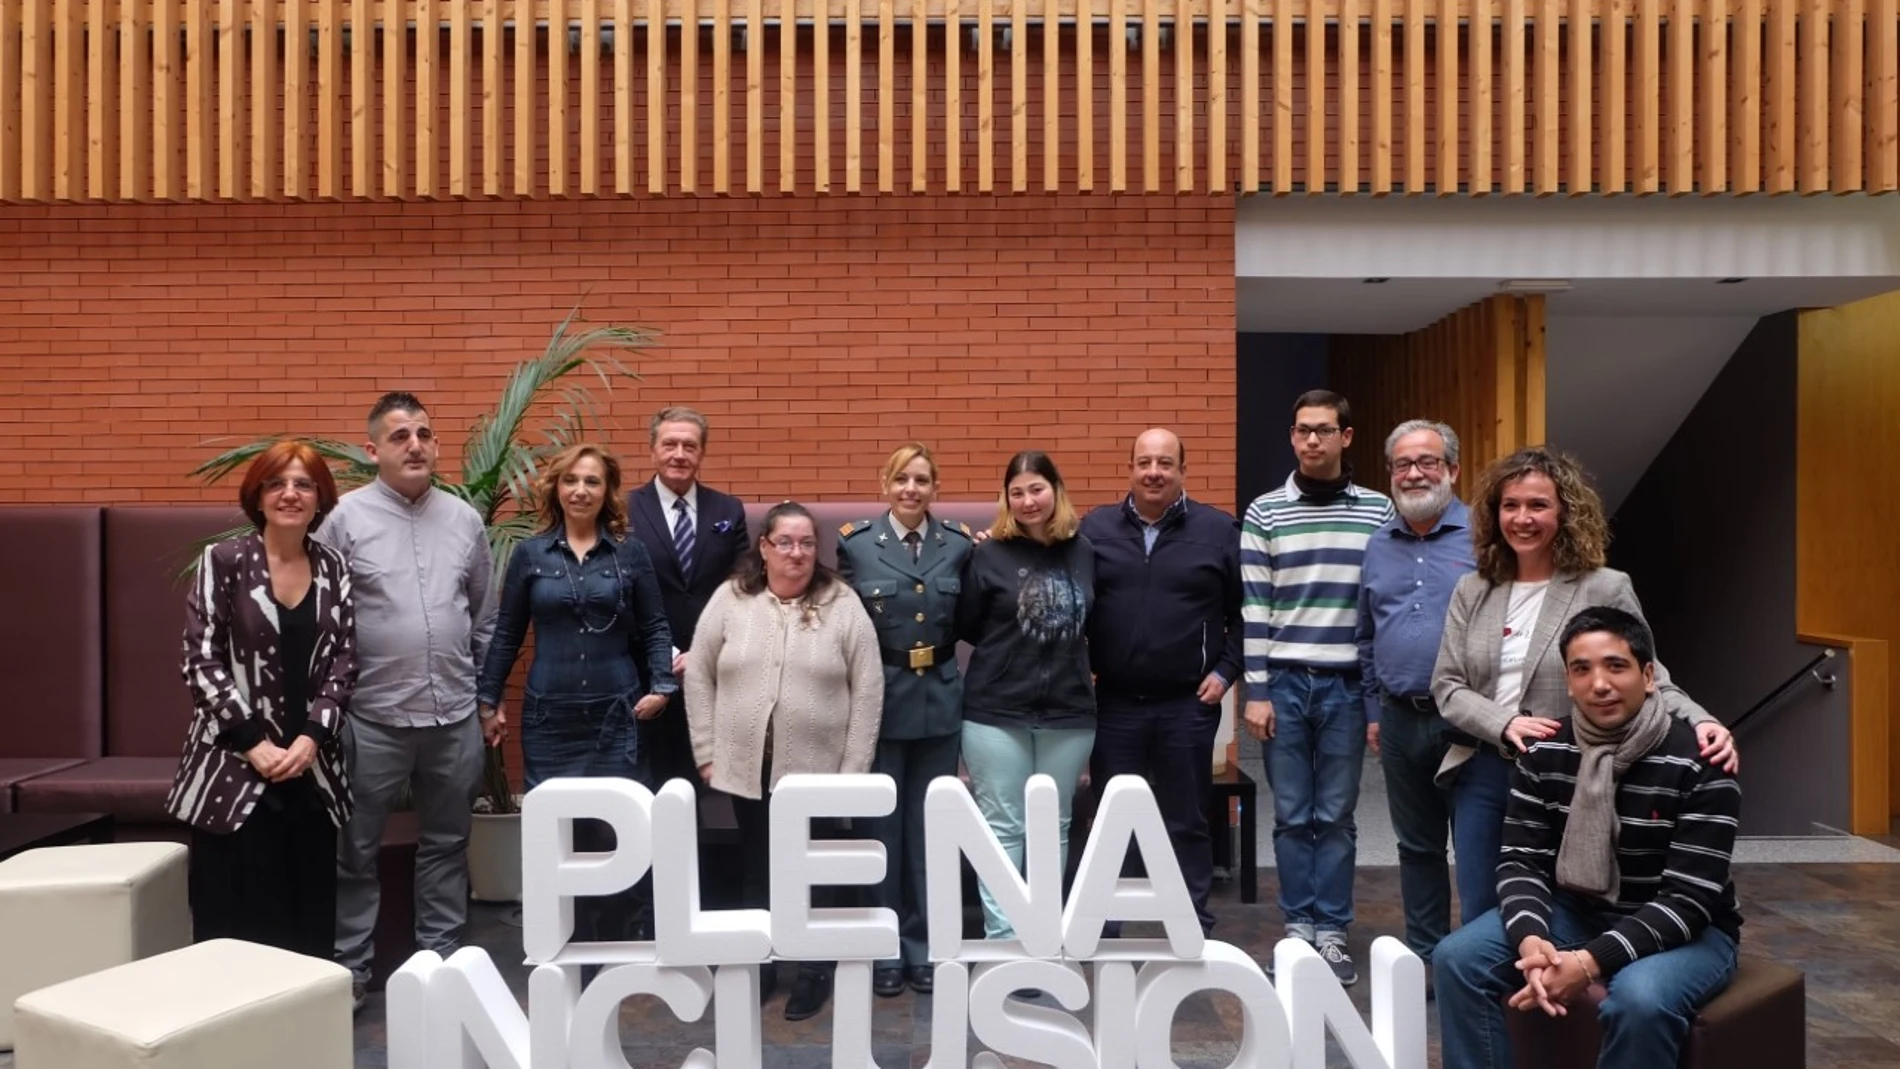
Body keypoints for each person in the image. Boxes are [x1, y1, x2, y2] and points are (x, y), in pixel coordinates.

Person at [1430, 446, 1736, 923]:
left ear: (1565, 512)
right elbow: (1447, 685)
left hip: (1568, 772)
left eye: (1538, 505)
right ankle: (1490, 995)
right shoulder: (1473, 589)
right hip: (1486, 770)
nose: (1522, 518)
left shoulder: (1605, 586)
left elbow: (1652, 677)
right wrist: (1504, 722)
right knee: (1483, 910)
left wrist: (1705, 722)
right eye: (1510, 506)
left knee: (1557, 910)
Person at [1434, 607, 1743, 1069]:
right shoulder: (1545, 750)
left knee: (1639, 1001)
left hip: (1691, 930)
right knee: (1457, 958)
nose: (1599, 684)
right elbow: (1522, 862)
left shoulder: (1701, 762)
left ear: (1649, 674)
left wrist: (1589, 962)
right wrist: (1530, 936)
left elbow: (1690, 899)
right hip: (1577, 909)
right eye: (1582, 669)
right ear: (1569, 679)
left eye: (1616, 666)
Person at [317, 391, 497, 1009]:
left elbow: (483, 617)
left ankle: (440, 964)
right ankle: (350, 972)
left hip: (452, 715)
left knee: (447, 844)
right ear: (373, 450)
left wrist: (482, 698)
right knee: (354, 852)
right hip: (370, 718)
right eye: (399, 436)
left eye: (424, 433)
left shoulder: (465, 519)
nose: (415, 445)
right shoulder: (341, 520)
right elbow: (324, 620)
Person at [686, 501, 884, 1021]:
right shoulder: (732, 599)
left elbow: (868, 689)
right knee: (757, 868)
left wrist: (853, 774)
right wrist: (707, 751)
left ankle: (814, 969)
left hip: (818, 774)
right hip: (746, 768)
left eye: (806, 543)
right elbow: (700, 672)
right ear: (765, 548)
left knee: (814, 872)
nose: (796, 553)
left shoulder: (841, 602)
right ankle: (764, 961)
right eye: (785, 542)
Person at [475, 443, 677, 944]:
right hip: (551, 719)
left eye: (591, 481)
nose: (580, 490)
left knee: (620, 827)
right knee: (558, 830)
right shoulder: (530, 554)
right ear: (556, 489)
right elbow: (507, 633)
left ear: (607, 491)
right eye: (571, 480)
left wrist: (664, 686)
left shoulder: (629, 554)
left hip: (617, 713)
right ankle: (567, 930)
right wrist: (488, 699)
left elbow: (654, 626)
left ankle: (624, 929)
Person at [166, 441, 355, 960]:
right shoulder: (223, 561)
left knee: (307, 925)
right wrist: (253, 742)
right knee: (236, 926)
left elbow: (345, 661)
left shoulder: (335, 567)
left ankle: (299, 1035)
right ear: (258, 494)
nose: (290, 494)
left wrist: (312, 737)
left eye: (303, 484)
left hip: (311, 770)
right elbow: (200, 661)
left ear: (321, 497)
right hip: (234, 772)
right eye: (277, 483)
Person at [1240, 390, 1393, 986]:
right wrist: (1255, 692)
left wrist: (1376, 697)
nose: (1311, 441)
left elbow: (1381, 610)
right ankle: (1296, 930)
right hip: (1282, 681)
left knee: (1334, 814)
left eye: (1324, 431)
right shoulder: (1265, 512)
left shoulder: (1379, 512)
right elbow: (1254, 608)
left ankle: (1331, 930)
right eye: (1302, 430)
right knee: (1290, 814)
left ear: (1346, 437)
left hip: (1346, 685)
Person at [1078, 428, 1241, 937]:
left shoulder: (1217, 530)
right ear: (1129, 468)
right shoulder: (1095, 528)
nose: (1154, 472)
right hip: (1116, 702)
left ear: (1182, 471)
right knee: (1112, 816)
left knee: (1187, 817)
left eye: (1165, 463)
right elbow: (1070, 595)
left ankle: (1190, 921)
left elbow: (1247, 613)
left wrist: (1226, 671)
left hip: (1186, 703)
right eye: (1145, 462)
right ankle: (1105, 918)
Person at [836, 443, 974, 997]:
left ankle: (925, 947)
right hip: (881, 704)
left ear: (935, 487)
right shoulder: (858, 545)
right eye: (901, 480)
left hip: (940, 700)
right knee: (883, 833)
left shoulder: (960, 545)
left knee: (930, 831)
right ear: (885, 484)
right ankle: (886, 947)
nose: (911, 490)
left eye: (921, 480)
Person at [957, 450, 1096, 944]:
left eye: (1036, 489)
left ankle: (1042, 936)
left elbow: (1095, 626)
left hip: (1069, 712)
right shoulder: (987, 553)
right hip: (996, 711)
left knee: (1053, 827)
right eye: (1016, 492)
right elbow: (969, 626)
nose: (1027, 500)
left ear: (1055, 490)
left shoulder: (1086, 550)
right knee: (1003, 828)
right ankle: (1002, 940)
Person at [1354, 419, 1475, 973]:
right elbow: (1365, 635)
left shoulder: (1485, 537)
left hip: (1472, 723)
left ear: (1452, 469)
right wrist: (1374, 710)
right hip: (1401, 720)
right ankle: (1427, 957)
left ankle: (1478, 960)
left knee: (1478, 848)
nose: (1414, 473)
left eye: (1427, 461)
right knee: (1418, 848)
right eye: (1403, 464)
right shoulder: (1377, 545)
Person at [626, 406, 751, 793]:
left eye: (689, 446)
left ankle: (703, 857)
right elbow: (619, 588)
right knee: (656, 786)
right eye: (670, 444)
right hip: (645, 671)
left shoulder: (728, 510)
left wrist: (703, 650)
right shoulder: (624, 510)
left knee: (710, 783)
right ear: (652, 451)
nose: (679, 453)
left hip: (715, 668)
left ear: (701, 454)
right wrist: (665, 652)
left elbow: (743, 587)